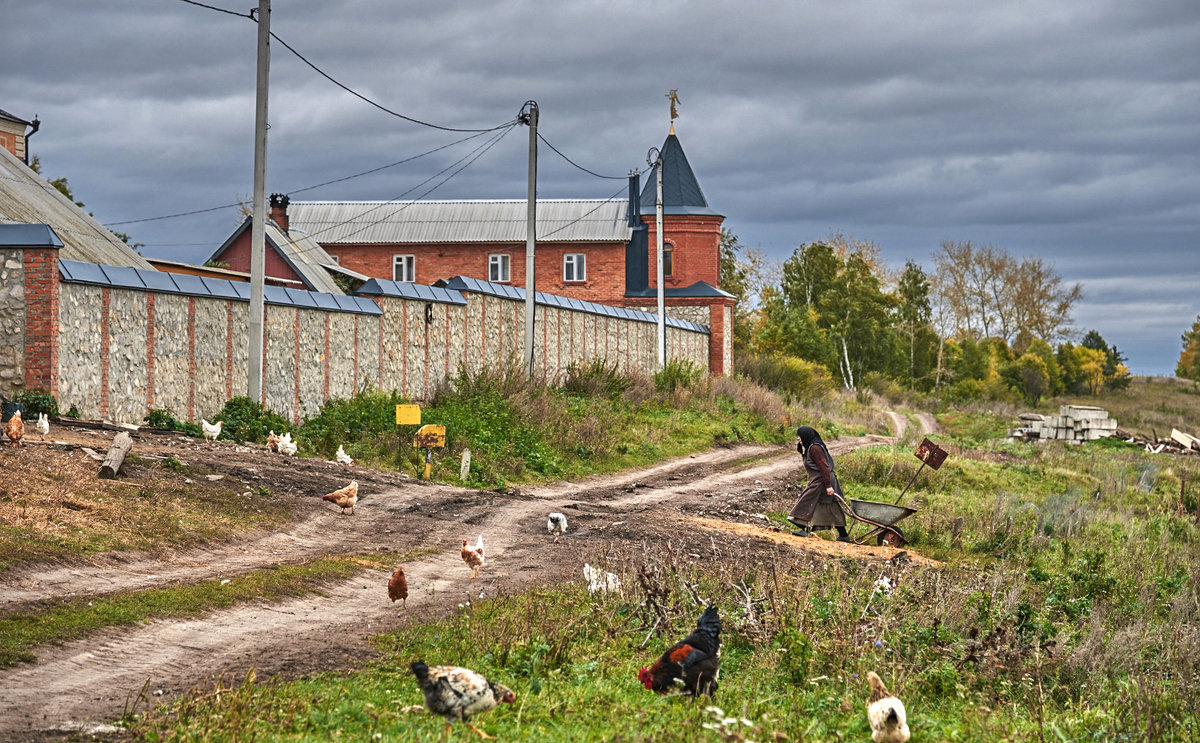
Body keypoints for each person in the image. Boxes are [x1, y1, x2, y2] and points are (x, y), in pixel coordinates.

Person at [788, 426, 851, 542]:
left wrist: (828, 486)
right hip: (819, 481)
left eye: (800, 436)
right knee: (825, 507)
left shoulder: (815, 448)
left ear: (806, 436)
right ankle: (843, 535)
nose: (798, 438)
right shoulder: (811, 447)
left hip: (822, 481)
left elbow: (824, 467)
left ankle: (806, 529)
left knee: (807, 502)